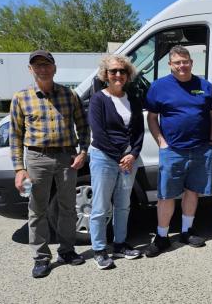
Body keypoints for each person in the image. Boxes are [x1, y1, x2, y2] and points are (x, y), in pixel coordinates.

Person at [9, 50, 90, 278]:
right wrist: (19, 168)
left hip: (67, 158)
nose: (42, 69)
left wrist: (83, 151)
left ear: (54, 68)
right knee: (37, 209)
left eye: (46, 64)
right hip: (37, 159)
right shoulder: (21, 97)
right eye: (37, 66)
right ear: (30, 69)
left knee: (67, 207)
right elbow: (15, 136)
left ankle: (67, 251)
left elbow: (83, 126)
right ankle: (41, 257)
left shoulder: (69, 95)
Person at [144, 45, 212, 256]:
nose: (182, 66)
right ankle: (161, 236)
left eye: (185, 61)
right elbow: (152, 118)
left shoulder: (205, 86)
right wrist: (161, 142)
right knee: (166, 195)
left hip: (200, 149)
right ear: (170, 65)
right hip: (172, 151)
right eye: (177, 62)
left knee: (192, 191)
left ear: (191, 63)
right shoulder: (159, 87)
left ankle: (187, 231)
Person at [87, 55, 145, 269]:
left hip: (129, 160)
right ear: (105, 75)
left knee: (123, 205)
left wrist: (134, 154)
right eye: (113, 71)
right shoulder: (98, 99)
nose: (118, 75)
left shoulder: (133, 98)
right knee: (101, 207)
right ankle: (99, 249)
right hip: (104, 158)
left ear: (128, 74)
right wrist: (121, 157)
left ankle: (120, 244)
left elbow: (138, 131)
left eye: (122, 71)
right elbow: (99, 134)